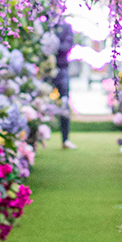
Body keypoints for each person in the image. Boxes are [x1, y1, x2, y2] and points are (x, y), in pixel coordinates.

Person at [54, 20, 76, 149]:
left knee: (64, 102)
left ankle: (65, 139)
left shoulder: (66, 27)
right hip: (45, 69)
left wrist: (53, 47)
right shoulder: (46, 25)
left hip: (62, 69)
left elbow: (67, 46)